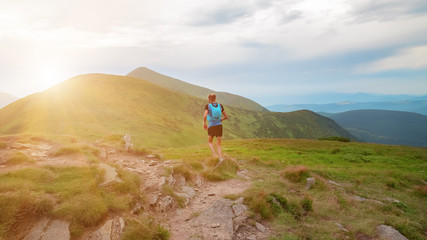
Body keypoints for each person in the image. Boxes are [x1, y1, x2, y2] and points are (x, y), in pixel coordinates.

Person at [203, 94, 228, 161]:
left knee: (210, 142)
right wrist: (220, 119)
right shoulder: (220, 106)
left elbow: (205, 116)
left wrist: (204, 123)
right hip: (219, 126)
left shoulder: (208, 106)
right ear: (215, 99)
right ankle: (220, 158)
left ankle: (214, 154)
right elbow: (226, 117)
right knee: (219, 144)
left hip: (211, 126)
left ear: (209, 99)